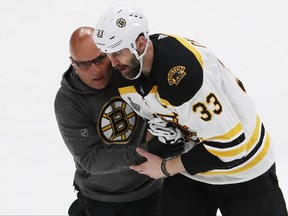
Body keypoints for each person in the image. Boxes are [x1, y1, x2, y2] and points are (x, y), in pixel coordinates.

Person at [93, 5, 288, 216]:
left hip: (244, 169)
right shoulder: (133, 68)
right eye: (107, 53)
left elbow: (231, 147)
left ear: (140, 43)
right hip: (193, 170)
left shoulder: (183, 78)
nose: (111, 63)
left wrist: (165, 168)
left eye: (118, 52)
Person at [54, 26, 164, 216]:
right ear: (73, 63)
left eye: (99, 59)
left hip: (150, 189)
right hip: (101, 199)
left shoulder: (126, 72)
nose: (95, 69)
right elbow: (91, 159)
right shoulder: (68, 102)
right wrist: (149, 151)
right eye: (85, 64)